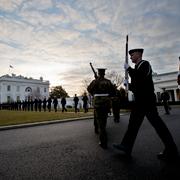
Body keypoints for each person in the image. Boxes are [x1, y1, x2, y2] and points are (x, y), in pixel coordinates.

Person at [113, 48, 178, 161]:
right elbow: (139, 86)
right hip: (140, 101)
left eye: (132, 55)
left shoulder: (145, 64)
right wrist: (129, 85)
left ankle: (171, 150)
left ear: (138, 54)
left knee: (158, 126)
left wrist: (129, 69)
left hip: (147, 101)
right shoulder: (137, 68)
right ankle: (126, 146)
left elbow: (140, 77)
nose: (130, 57)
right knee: (133, 125)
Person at [87, 68, 116, 149]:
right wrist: (107, 96)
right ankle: (99, 131)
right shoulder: (108, 81)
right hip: (106, 103)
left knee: (101, 123)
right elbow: (113, 92)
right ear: (104, 73)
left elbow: (89, 89)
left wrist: (95, 94)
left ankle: (103, 142)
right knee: (104, 121)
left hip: (98, 104)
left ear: (98, 73)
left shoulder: (95, 81)